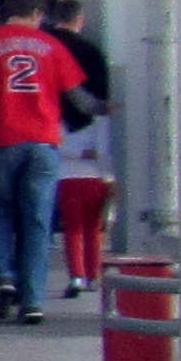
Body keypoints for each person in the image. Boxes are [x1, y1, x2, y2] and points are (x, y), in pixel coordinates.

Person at [0, 0, 88, 325]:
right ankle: (32, 301)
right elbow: (79, 99)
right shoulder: (53, 46)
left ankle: (2, 278)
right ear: (37, 15)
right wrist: (106, 108)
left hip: (0, 142)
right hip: (43, 144)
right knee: (37, 221)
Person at [52, 104, 117, 299]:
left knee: (73, 231)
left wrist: (76, 154)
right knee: (94, 230)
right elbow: (103, 152)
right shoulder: (101, 122)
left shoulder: (59, 118)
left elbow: (58, 146)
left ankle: (76, 277)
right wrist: (111, 179)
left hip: (67, 178)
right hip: (97, 179)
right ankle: (93, 275)